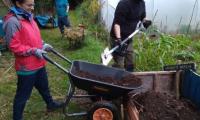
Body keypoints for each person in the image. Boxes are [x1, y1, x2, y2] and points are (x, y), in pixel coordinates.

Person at [3, 0, 63, 120]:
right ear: (18, 4)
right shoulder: (12, 21)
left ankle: (50, 104)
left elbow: (32, 38)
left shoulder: (29, 17)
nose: (32, 8)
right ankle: (17, 117)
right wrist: (33, 51)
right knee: (23, 96)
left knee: (44, 87)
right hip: (26, 67)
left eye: (33, 4)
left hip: (39, 63)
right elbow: (14, 46)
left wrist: (42, 44)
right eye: (29, 5)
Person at [110, 0, 147, 72]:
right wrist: (118, 39)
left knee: (130, 64)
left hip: (129, 38)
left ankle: (128, 80)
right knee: (119, 65)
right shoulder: (124, 4)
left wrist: (145, 22)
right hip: (118, 38)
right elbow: (117, 24)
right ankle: (114, 79)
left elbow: (143, 17)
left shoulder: (142, 3)